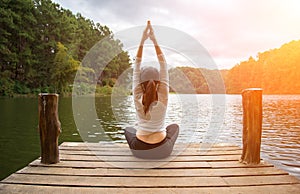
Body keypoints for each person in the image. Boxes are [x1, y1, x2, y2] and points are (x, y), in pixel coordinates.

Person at [124, 21, 179, 159]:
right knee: (174, 127)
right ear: (159, 82)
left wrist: (142, 40)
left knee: (128, 130)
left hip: (140, 150)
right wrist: (154, 41)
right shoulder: (163, 95)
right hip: (162, 151)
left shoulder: (137, 95)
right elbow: (163, 64)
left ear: (140, 83)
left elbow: (137, 64)